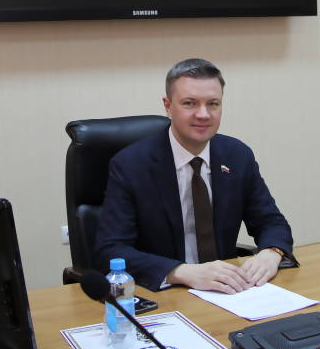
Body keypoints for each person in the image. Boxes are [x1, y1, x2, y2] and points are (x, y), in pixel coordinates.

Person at [95, 58, 295, 293]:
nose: (203, 114)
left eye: (213, 104)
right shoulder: (131, 165)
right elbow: (111, 250)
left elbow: (271, 222)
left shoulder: (237, 156)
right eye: (189, 103)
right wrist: (182, 272)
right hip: (167, 293)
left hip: (228, 292)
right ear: (168, 106)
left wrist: (271, 253)